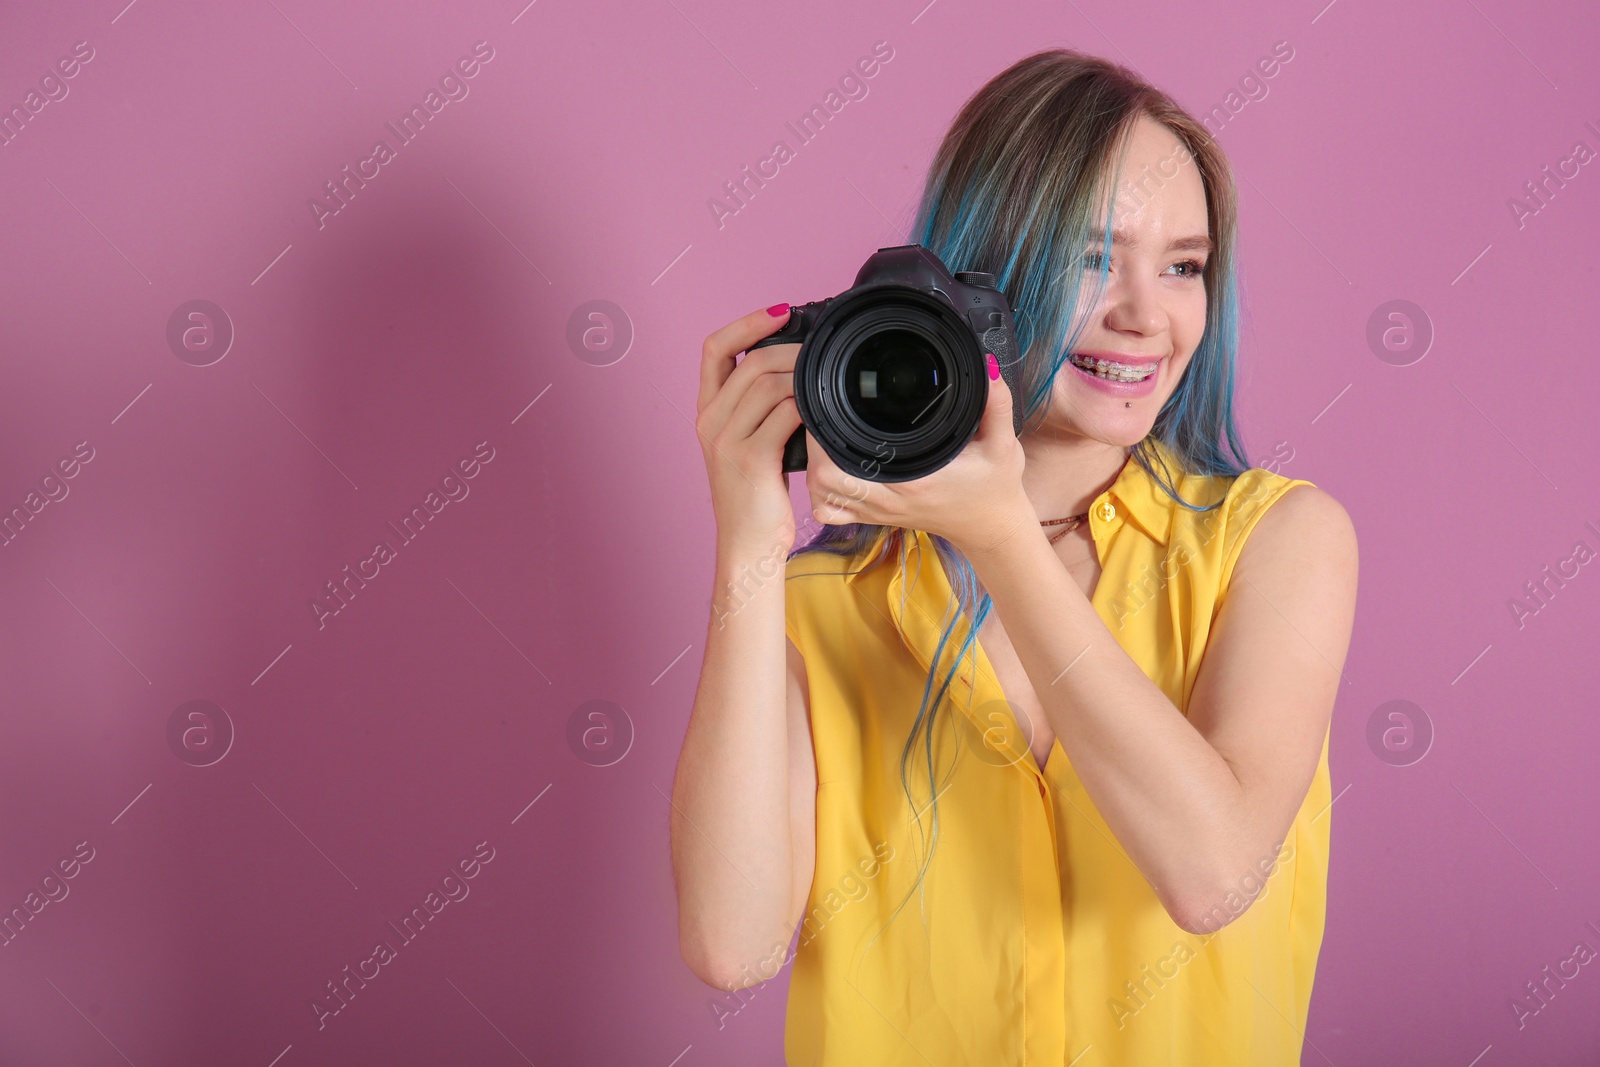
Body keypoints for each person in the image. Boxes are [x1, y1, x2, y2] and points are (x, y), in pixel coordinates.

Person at [670, 47, 1358, 1066]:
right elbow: (733, 944)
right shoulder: (817, 600)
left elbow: (1212, 872)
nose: (1144, 314)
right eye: (1091, 258)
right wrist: (749, 547)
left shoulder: (1276, 541)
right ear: (973, 281)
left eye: (1182, 264)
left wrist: (996, 536)